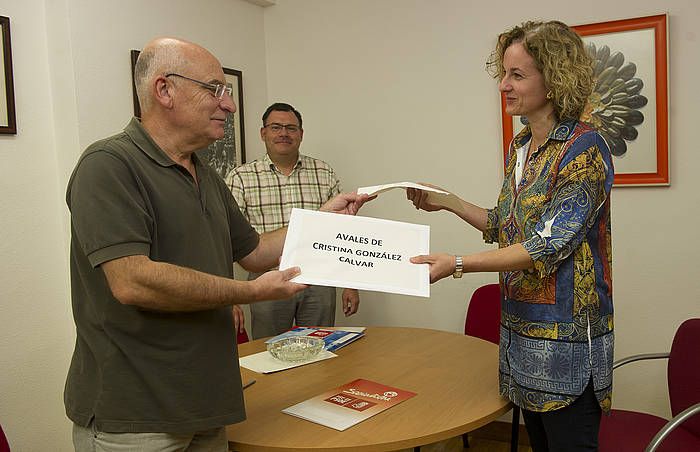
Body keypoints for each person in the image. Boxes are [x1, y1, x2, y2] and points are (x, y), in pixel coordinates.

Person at [64, 37, 367, 452]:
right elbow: (132, 281)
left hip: (207, 403)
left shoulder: (204, 174)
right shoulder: (109, 166)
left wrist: (322, 222)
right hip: (137, 416)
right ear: (164, 90)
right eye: (214, 89)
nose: (230, 104)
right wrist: (250, 292)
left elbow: (256, 251)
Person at [407, 21, 614, 452]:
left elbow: (545, 244)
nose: (503, 85)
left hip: (565, 351)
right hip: (520, 341)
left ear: (554, 81)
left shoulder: (585, 149)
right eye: (504, 74)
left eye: (517, 75)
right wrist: (445, 201)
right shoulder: (521, 147)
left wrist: (458, 264)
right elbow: (506, 224)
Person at [227, 102, 360, 339]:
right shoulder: (240, 178)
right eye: (276, 127)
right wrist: (228, 298)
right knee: (268, 353)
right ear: (263, 133)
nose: (284, 134)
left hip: (318, 278)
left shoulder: (323, 172)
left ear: (301, 134)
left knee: (320, 350)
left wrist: (350, 283)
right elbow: (226, 239)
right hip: (267, 280)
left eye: (291, 128)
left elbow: (342, 231)